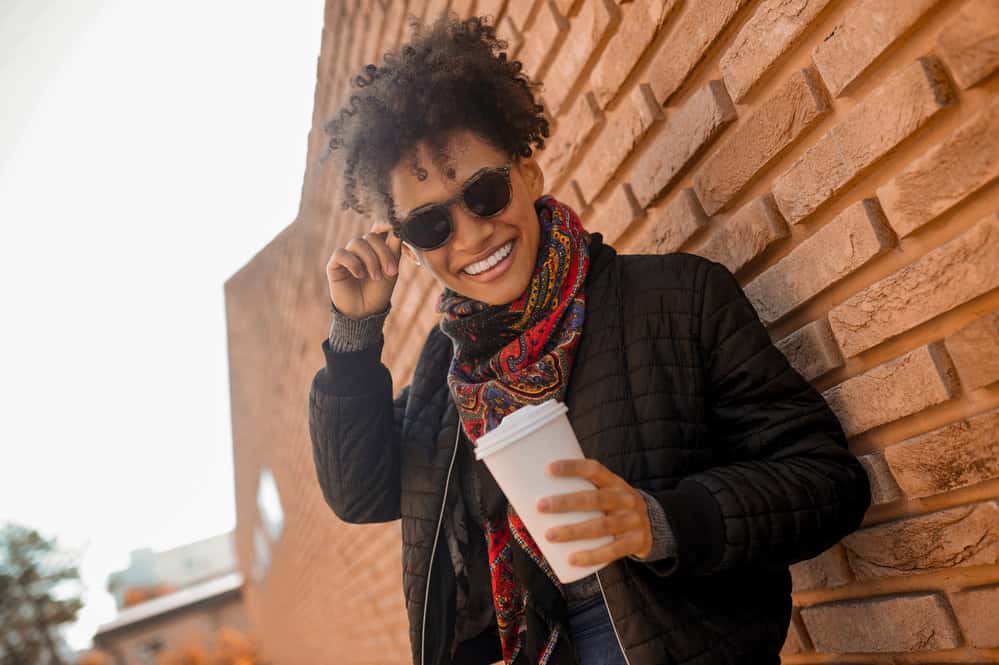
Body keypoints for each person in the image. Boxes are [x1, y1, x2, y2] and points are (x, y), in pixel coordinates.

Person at [308, 12, 871, 665]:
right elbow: (363, 492)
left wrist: (657, 521)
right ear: (409, 249)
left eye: (485, 192)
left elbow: (826, 482)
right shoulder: (448, 374)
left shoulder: (676, 298)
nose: (469, 235)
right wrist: (353, 333)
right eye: (431, 225)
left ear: (528, 172)